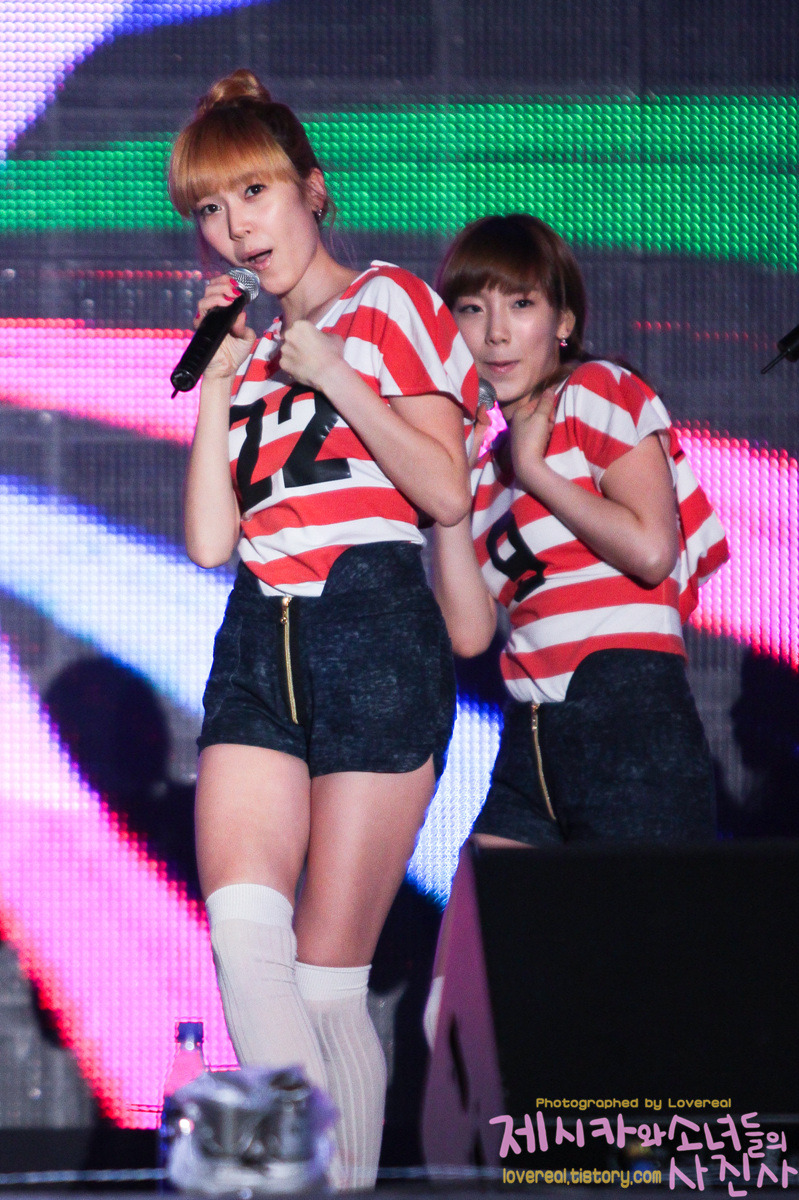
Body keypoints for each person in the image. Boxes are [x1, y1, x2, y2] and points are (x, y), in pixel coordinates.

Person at [167, 69, 476, 1189]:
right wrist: (218, 382)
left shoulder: (391, 302)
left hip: (372, 630)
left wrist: (336, 368)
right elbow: (211, 541)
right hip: (259, 637)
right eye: (210, 209)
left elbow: (444, 490)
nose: (234, 228)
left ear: (312, 188)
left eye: (253, 193)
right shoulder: (247, 355)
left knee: (327, 980)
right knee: (242, 937)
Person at [422, 212, 729, 1050]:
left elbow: (652, 548)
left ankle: (646, 1140)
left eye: (519, 304)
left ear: (562, 320)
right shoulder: (482, 469)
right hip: (531, 739)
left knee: (645, 1000)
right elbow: (469, 633)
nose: (495, 333)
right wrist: (449, 492)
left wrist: (537, 471)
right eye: (472, 309)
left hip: (627, 713)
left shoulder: (598, 392)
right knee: (461, 995)